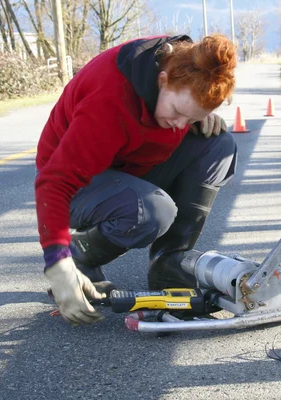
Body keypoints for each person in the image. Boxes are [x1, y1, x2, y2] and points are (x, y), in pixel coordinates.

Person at [35, 34, 238, 326]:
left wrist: (197, 116)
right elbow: (54, 184)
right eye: (179, 112)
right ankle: (82, 254)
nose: (180, 125)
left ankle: (168, 262)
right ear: (162, 80)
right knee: (153, 211)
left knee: (218, 145)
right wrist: (57, 260)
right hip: (77, 183)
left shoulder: (189, 67)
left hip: (132, 166)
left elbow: (191, 105)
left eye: (191, 119)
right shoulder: (109, 98)